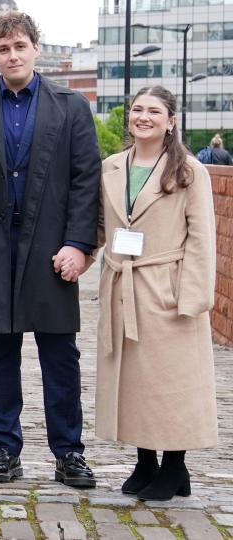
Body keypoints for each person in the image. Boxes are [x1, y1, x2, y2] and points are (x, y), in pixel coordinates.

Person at [0, 11, 101, 488]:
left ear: (36, 49)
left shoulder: (71, 107)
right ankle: (4, 448)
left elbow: (86, 182)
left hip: (51, 250)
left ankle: (69, 452)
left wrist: (79, 244)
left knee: (60, 354)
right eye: (3, 49)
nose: (12, 55)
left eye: (19, 46)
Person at [94, 86, 217, 501]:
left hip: (166, 285)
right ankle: (145, 460)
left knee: (171, 382)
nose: (143, 117)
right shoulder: (110, 166)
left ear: (171, 120)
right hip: (122, 285)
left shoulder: (189, 171)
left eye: (154, 111)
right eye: (136, 109)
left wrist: (192, 297)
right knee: (134, 381)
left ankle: (175, 465)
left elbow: (202, 238)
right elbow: (99, 225)